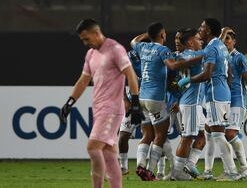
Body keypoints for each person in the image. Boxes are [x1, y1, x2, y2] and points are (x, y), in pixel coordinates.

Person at [59, 18, 143, 188]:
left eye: (86, 38)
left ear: (96, 33)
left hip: (111, 110)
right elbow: (83, 81)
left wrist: (135, 103)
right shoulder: (91, 54)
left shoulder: (115, 49)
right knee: (108, 153)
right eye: (82, 40)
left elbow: (131, 75)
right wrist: (69, 103)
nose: (84, 43)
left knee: (93, 147)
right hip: (99, 109)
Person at [130, 22, 202, 181]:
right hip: (156, 98)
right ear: (162, 35)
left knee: (147, 134)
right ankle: (149, 171)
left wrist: (148, 34)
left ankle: (141, 165)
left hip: (142, 97)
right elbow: (173, 65)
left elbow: (133, 41)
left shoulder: (143, 48)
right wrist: (195, 59)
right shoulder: (163, 50)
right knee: (161, 135)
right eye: (164, 34)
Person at [177, 18, 242, 181]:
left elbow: (207, 74)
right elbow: (229, 75)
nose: (200, 29)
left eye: (202, 27)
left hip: (214, 94)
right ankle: (192, 164)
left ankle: (232, 172)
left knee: (218, 135)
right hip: (222, 93)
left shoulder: (212, 48)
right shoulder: (220, 46)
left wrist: (188, 80)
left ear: (210, 31)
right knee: (210, 132)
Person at [218, 27, 247, 179]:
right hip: (223, 101)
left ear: (234, 42)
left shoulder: (239, 58)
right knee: (220, 135)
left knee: (230, 133)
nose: (226, 41)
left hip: (237, 100)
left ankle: (244, 168)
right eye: (224, 39)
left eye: (229, 39)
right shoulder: (219, 57)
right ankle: (229, 170)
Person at [171, 28, 206, 180]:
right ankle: (177, 172)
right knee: (187, 137)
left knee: (201, 137)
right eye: (198, 39)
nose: (201, 41)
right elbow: (211, 52)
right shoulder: (193, 54)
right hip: (191, 102)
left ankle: (190, 165)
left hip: (193, 103)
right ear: (191, 42)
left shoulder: (182, 56)